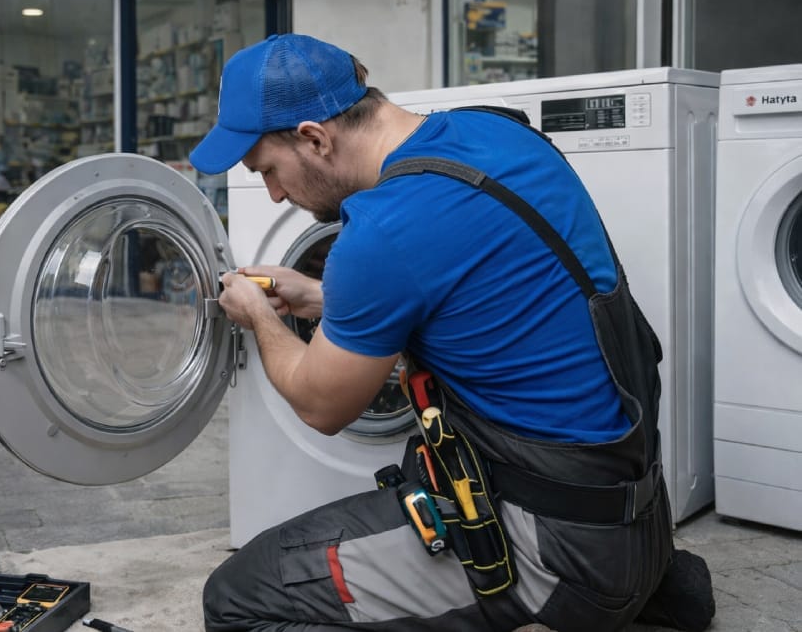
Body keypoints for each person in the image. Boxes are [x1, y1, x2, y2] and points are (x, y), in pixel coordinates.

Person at [188, 34, 714, 631]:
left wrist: (259, 318)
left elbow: (320, 404)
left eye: (268, 171)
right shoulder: (499, 135)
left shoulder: (385, 226)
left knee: (236, 600)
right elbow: (479, 290)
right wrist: (319, 297)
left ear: (314, 138)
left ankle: (561, 612)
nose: (276, 192)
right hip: (633, 521)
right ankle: (642, 593)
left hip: (554, 554)